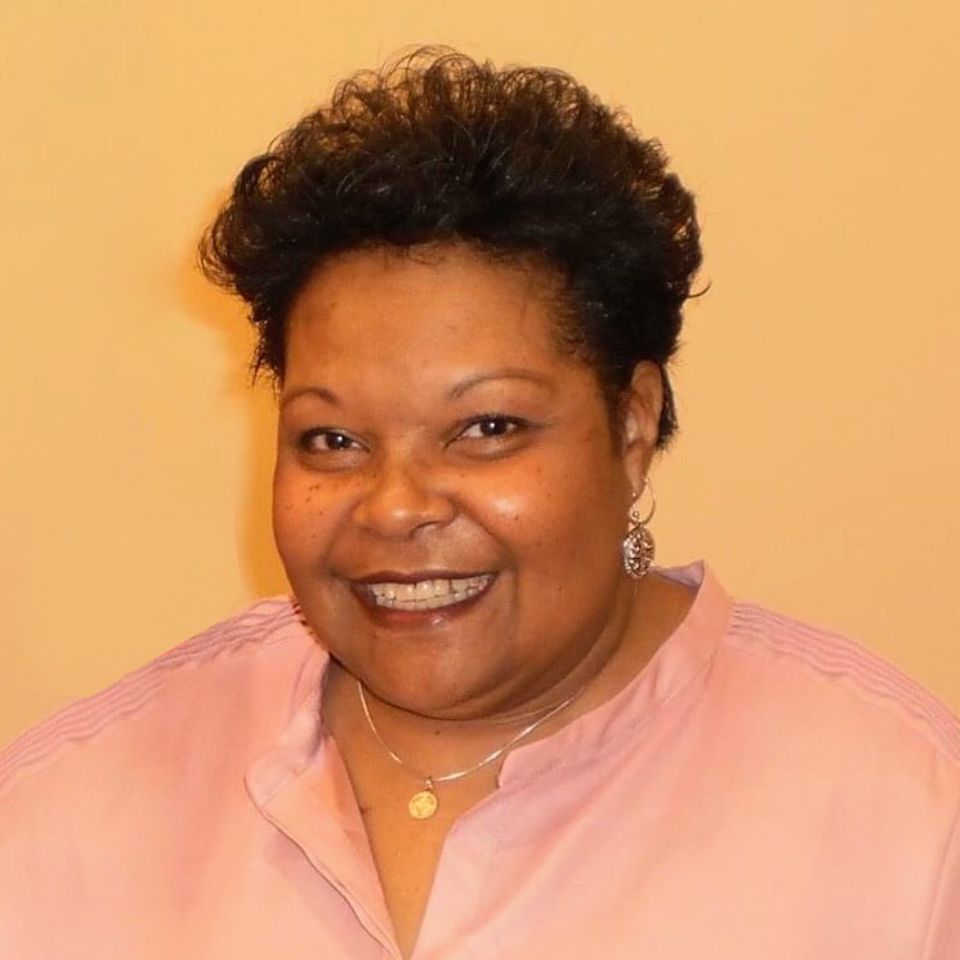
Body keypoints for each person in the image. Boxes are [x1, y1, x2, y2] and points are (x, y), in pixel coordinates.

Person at [1, 48, 957, 960]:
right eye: (332, 439)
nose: (395, 508)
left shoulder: (898, 817)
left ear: (631, 426)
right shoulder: (71, 816)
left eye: (486, 428)